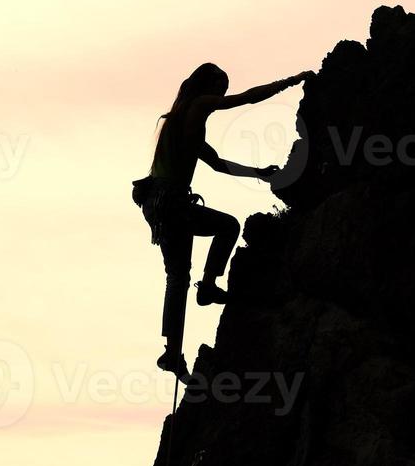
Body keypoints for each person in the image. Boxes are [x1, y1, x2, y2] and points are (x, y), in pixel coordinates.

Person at [134, 62, 313, 383]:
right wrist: (288, 82)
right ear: (210, 87)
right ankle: (209, 285)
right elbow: (245, 100)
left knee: (177, 277)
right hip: (171, 202)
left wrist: (256, 172)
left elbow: (216, 164)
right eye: (221, 88)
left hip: (158, 203)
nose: (223, 95)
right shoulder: (199, 105)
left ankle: (172, 351)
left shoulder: (179, 125)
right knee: (227, 227)